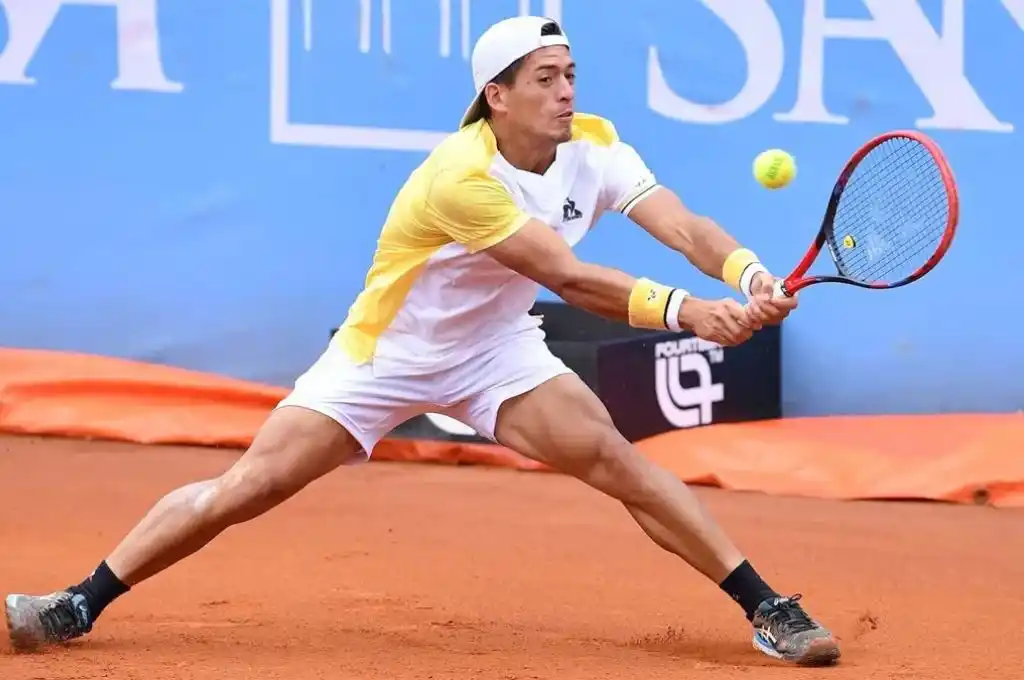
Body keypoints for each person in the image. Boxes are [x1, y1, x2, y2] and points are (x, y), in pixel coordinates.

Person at [4, 15, 839, 666]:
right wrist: (690, 314)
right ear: (496, 98)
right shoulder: (460, 179)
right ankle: (79, 601)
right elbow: (569, 277)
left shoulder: (595, 144)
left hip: (496, 351)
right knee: (248, 487)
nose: (566, 93)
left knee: (619, 463)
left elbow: (683, 225)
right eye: (545, 80)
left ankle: (768, 606)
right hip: (387, 353)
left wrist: (749, 274)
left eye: (571, 75)